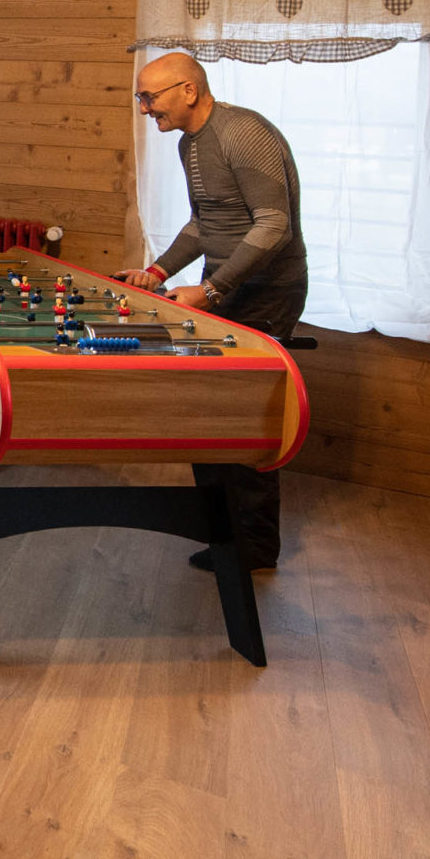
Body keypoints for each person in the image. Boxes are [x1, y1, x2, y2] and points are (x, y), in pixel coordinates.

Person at [115, 51, 307, 571]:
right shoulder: (188, 143)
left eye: (149, 97)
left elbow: (273, 226)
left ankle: (254, 550)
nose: (143, 108)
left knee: (241, 418)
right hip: (225, 288)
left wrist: (214, 291)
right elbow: (205, 224)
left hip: (266, 293)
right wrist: (157, 272)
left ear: (188, 91)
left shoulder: (242, 134)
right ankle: (223, 534)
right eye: (140, 97)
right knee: (206, 409)